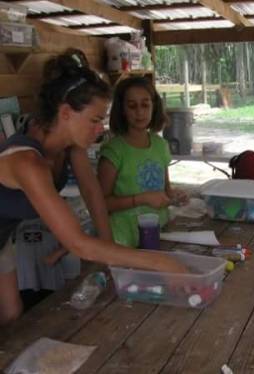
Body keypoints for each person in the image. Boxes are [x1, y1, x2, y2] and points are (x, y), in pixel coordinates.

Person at [0, 53, 187, 325]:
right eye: (94, 120)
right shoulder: (28, 162)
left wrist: (110, 252)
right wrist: (161, 263)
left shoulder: (71, 144)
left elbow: (93, 196)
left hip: (2, 236)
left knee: (11, 313)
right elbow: (78, 243)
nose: (100, 129)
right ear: (65, 113)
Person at [98, 77, 188, 248]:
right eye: (132, 106)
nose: (139, 112)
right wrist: (141, 199)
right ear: (122, 110)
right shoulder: (114, 151)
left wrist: (175, 195)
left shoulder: (161, 145)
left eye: (145, 105)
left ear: (154, 107)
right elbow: (101, 204)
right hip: (123, 240)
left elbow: (165, 190)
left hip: (160, 232)